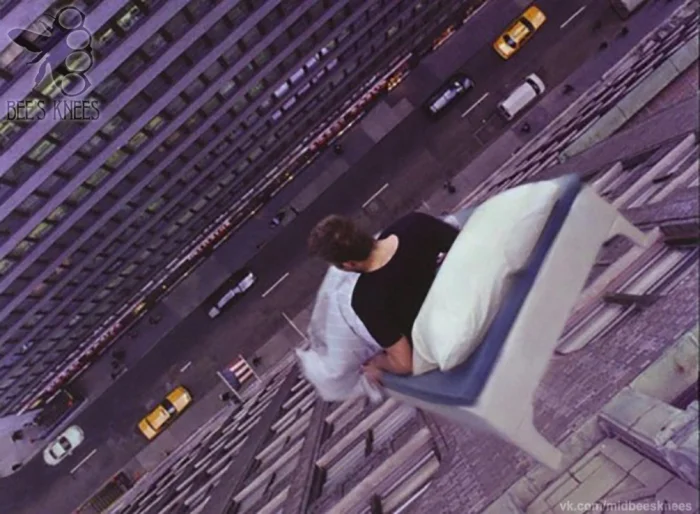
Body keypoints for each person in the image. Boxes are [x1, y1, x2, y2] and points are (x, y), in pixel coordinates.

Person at [308, 213, 458, 383]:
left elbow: (404, 363)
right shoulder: (414, 223)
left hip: (447, 334)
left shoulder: (365, 300)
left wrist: (378, 362)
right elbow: (466, 245)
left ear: (349, 264)